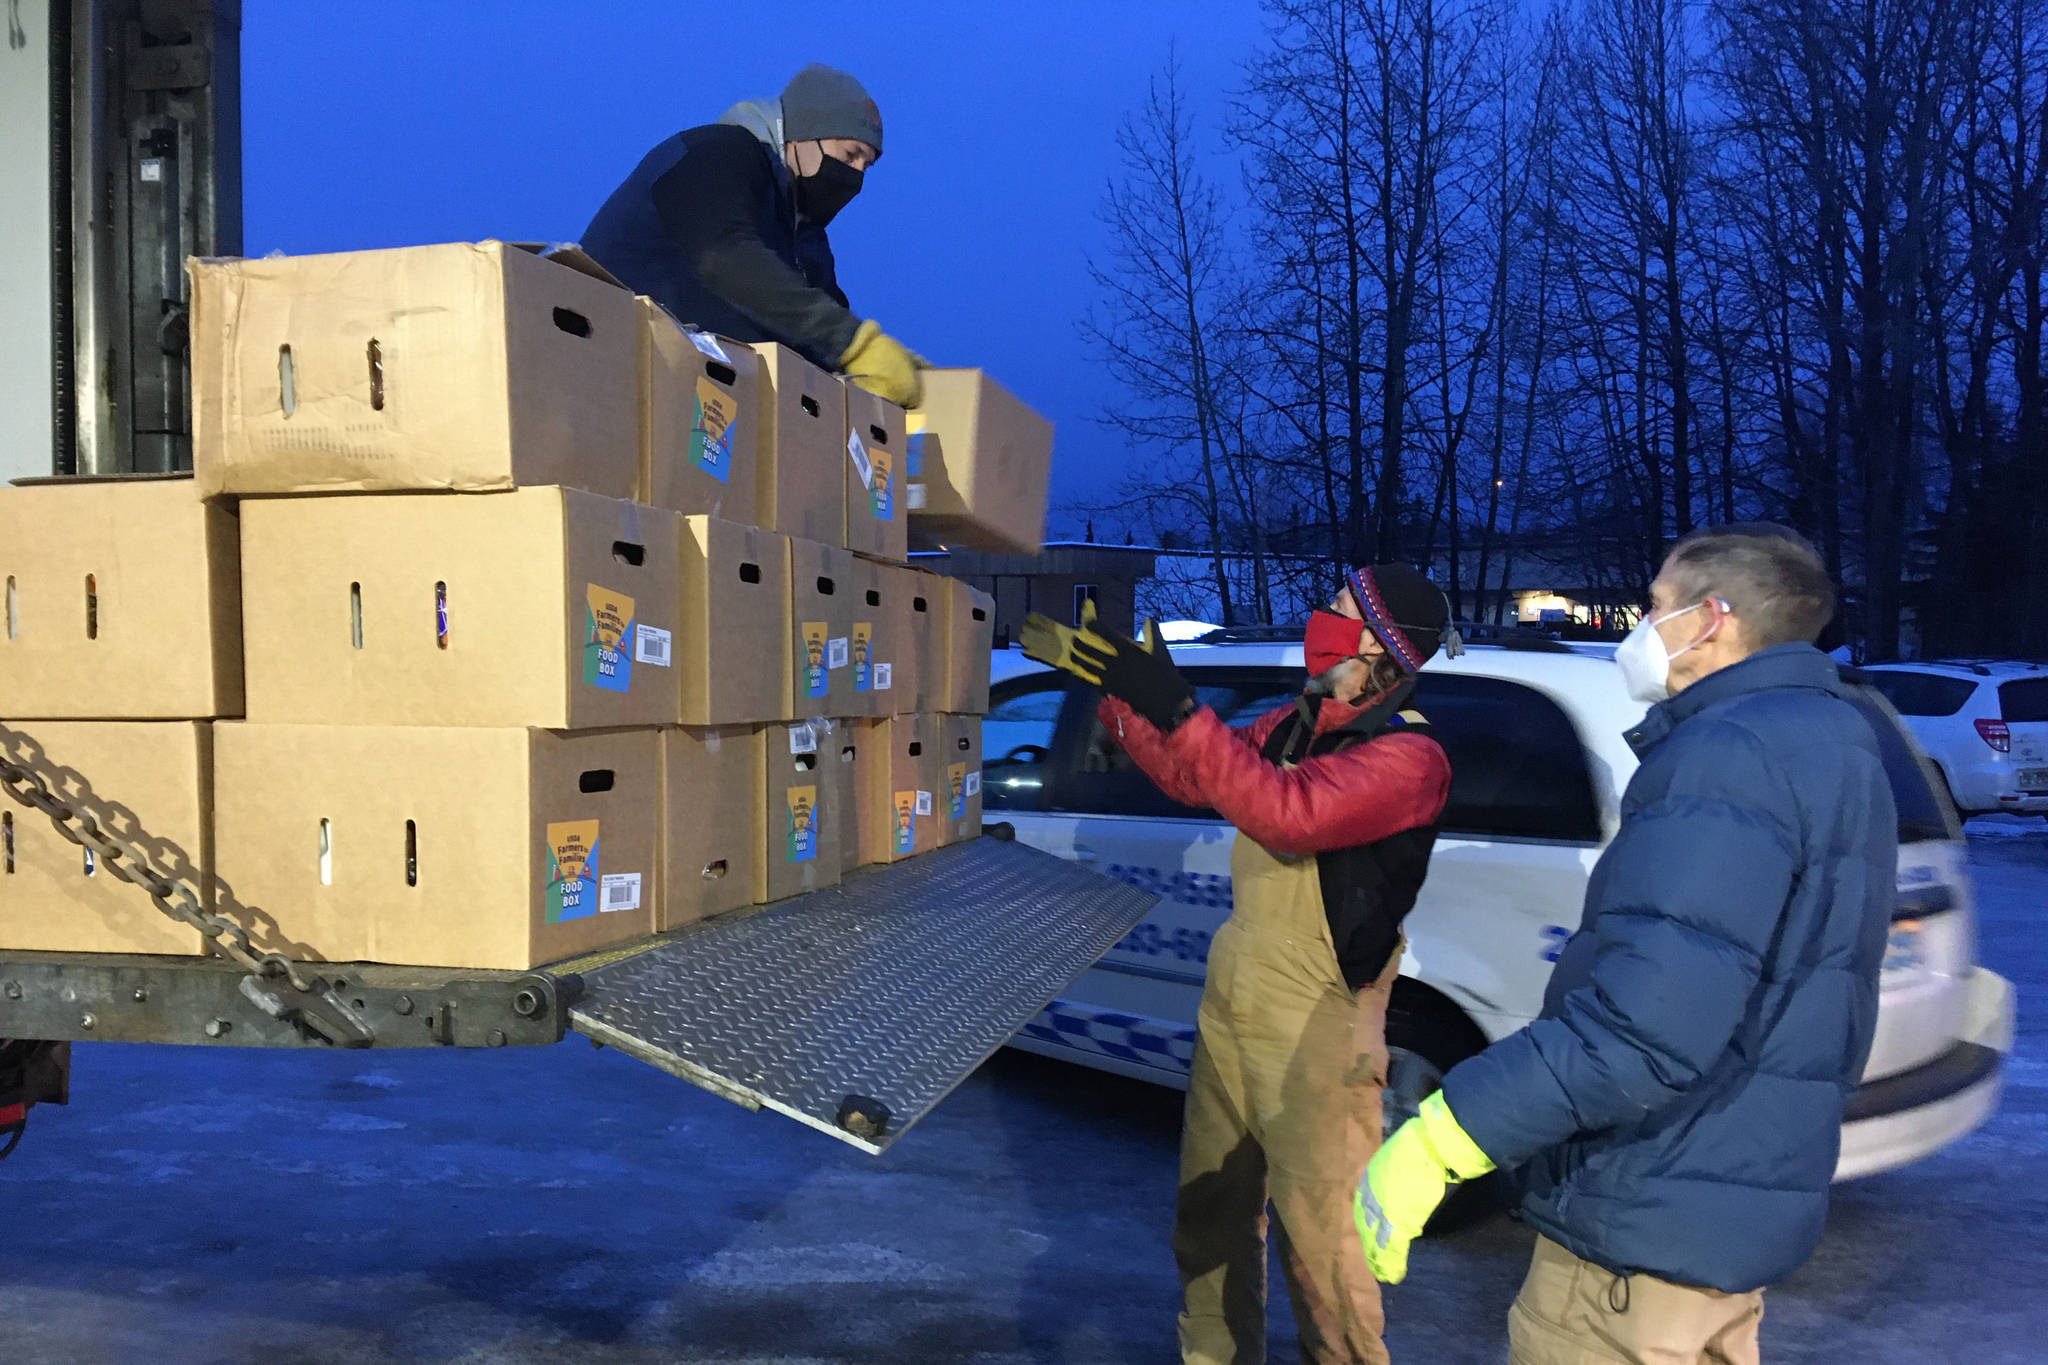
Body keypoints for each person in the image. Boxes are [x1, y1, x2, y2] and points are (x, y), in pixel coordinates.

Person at [1355, 525, 1898, 1365]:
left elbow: (1642, 1030)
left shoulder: (1726, 755)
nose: (1640, 628)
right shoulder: (1834, 738)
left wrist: (1440, 1138)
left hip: (1639, 1228)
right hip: (1723, 1217)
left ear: (1710, 618)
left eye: (1654, 605)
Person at [1022, 567, 1456, 1365]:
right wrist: (1126, 695)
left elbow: (1285, 813)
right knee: (1210, 1219)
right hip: (1237, 992)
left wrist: (1182, 707)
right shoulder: (1295, 721)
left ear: (1379, 643)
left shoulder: (1408, 755)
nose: (1320, 617)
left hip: (1320, 1024)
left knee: (1324, 1252)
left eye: (1341, 608)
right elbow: (1198, 777)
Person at [583, 64, 922, 407]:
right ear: (803, 134)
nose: (856, 175)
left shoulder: (805, 238)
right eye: (851, 155)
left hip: (706, 407)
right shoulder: (716, 155)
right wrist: (855, 343)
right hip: (608, 365)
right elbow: (726, 257)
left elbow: (820, 330)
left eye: (867, 165)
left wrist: (892, 369)